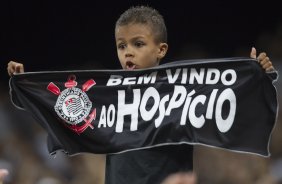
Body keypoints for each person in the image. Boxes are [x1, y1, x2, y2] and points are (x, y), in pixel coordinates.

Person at [7, 5, 274, 184]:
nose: (128, 52)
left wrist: (253, 74)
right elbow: (58, 106)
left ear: (161, 49)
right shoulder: (106, 93)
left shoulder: (184, 88)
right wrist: (24, 84)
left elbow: (231, 100)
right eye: (121, 46)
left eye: (138, 43)